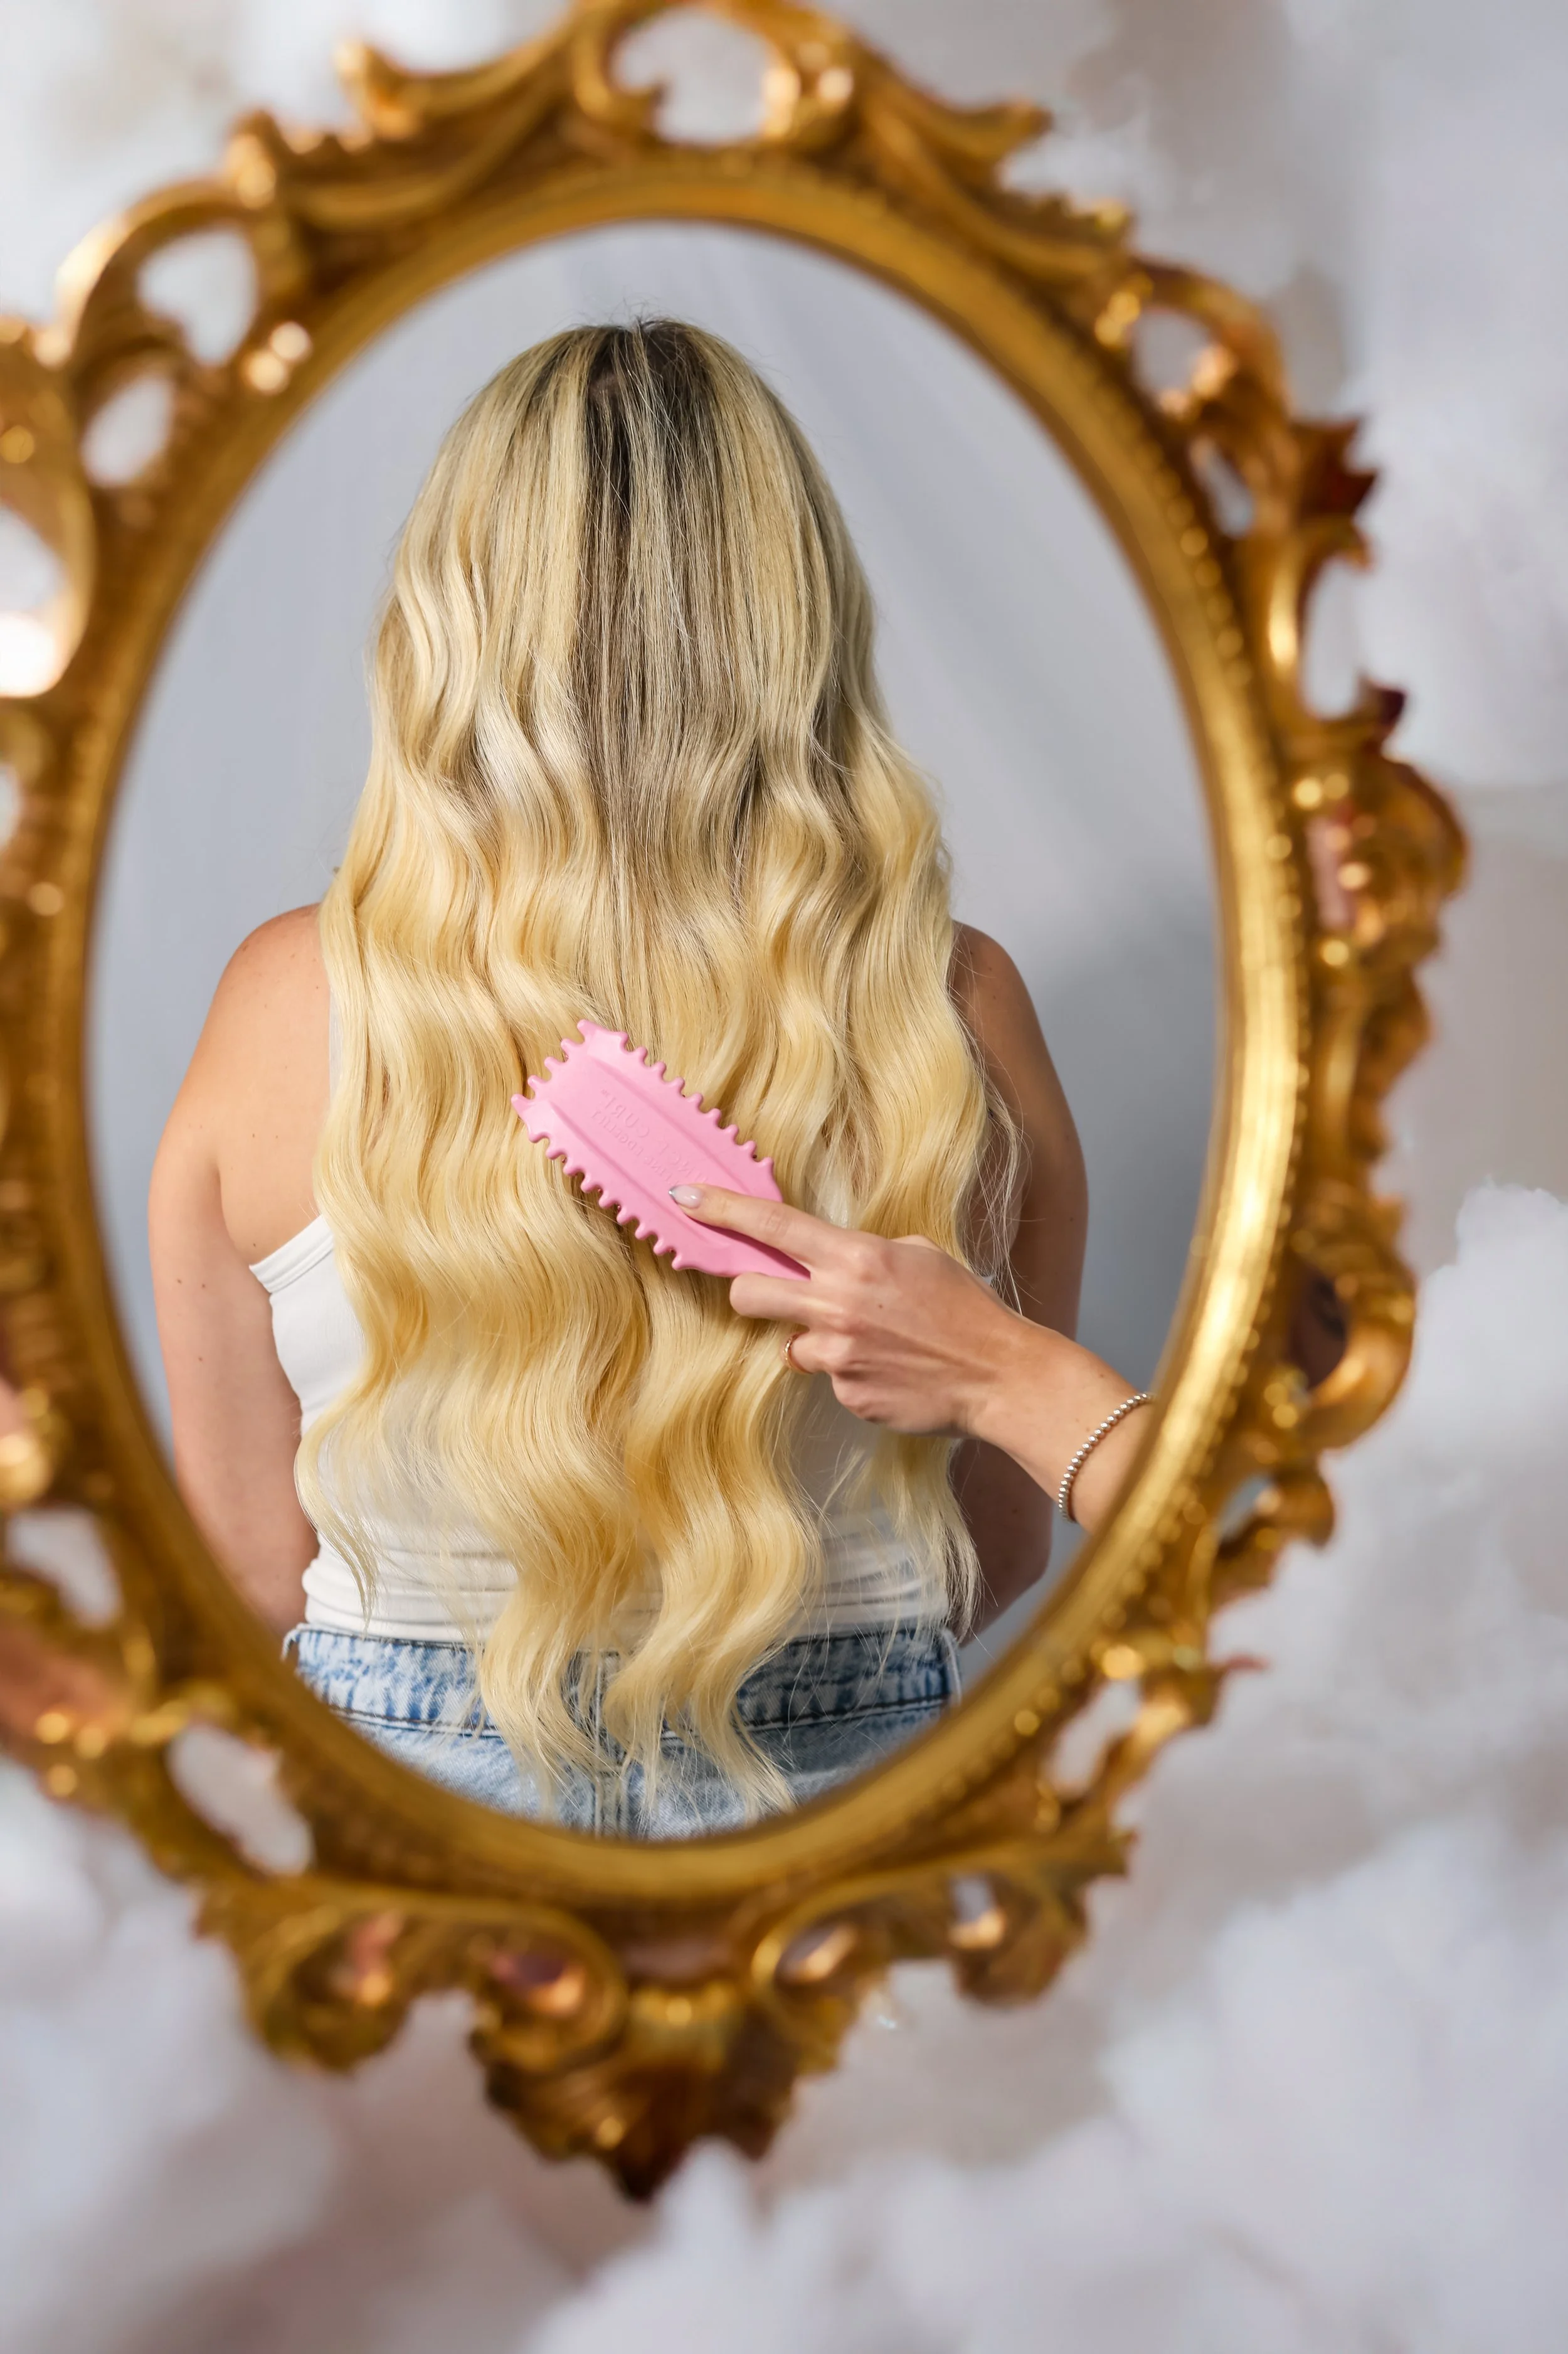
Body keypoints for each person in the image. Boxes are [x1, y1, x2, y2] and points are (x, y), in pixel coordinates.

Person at [149, 319, 1152, 1838]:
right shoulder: (956, 1007)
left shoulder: (283, 1004)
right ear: (796, 614)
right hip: (851, 1801)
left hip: (408, 1804)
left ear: (448, 613)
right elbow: (996, 1551)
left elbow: (241, 1566)